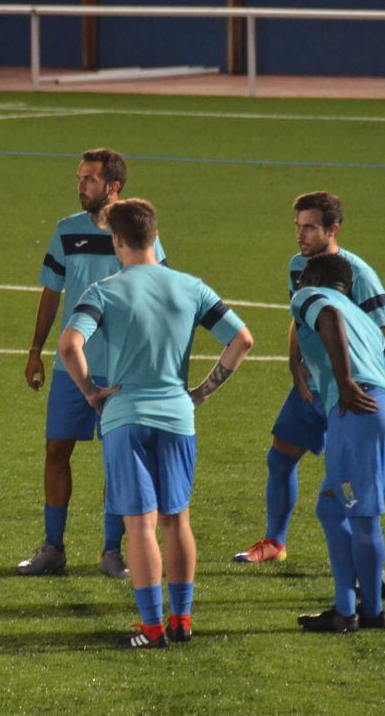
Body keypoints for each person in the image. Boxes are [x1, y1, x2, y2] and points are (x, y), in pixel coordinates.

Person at [60, 198, 253, 648]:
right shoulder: (191, 287)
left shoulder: (105, 291)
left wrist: (91, 392)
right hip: (177, 415)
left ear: (118, 241)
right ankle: (181, 621)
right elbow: (242, 339)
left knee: (139, 525)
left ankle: (150, 627)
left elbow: (71, 346)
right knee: (176, 519)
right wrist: (202, 391)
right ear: (154, 235)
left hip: (125, 417)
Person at [232, 192, 385, 580]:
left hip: (357, 391)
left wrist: (353, 371)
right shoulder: (297, 267)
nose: (300, 236)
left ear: (332, 229)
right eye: (298, 227)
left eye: (310, 228)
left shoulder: (357, 273)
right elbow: (301, 314)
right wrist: (294, 360)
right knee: (281, 455)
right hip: (315, 386)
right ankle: (275, 542)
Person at [18, 148, 166, 578]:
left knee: (116, 458)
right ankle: (53, 547)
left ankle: (110, 551)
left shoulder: (140, 234)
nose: (81, 186)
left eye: (90, 180)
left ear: (113, 187)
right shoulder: (68, 231)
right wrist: (34, 352)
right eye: (80, 178)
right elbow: (51, 293)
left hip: (122, 370)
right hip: (72, 367)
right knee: (56, 448)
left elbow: (159, 292)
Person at [290, 254, 385, 633]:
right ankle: (345, 609)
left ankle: (372, 613)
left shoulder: (309, 295)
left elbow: (329, 319)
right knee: (331, 509)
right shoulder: (365, 319)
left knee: (363, 518)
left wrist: (344, 381)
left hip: (360, 412)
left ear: (313, 277)